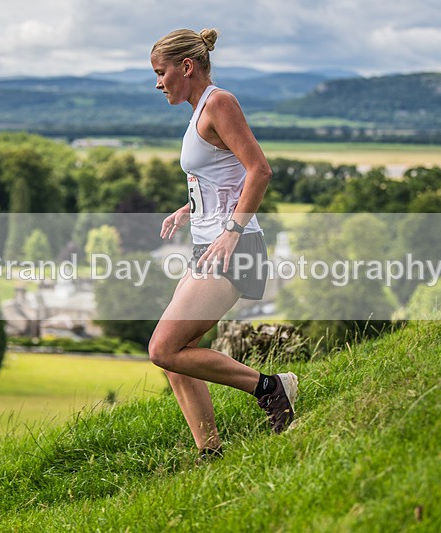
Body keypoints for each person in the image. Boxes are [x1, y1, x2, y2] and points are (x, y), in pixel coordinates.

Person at [148, 28, 298, 462]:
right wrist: (189, 209)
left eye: (161, 73)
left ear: (186, 67)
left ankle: (270, 387)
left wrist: (232, 229)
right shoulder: (199, 112)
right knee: (176, 356)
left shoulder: (219, 103)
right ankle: (210, 454)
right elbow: (221, 178)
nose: (158, 83)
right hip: (210, 245)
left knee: (163, 348)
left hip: (235, 247)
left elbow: (259, 170)